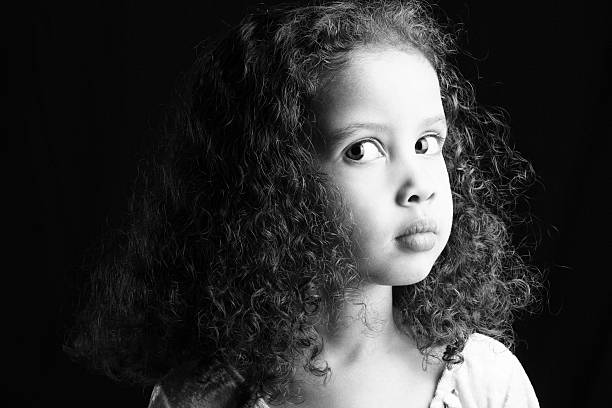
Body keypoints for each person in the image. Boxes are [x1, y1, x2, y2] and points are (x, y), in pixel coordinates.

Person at [67, 1, 541, 407]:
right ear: (274, 180)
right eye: (361, 150)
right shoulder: (203, 397)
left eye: (427, 142)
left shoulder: (484, 381)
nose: (418, 185)